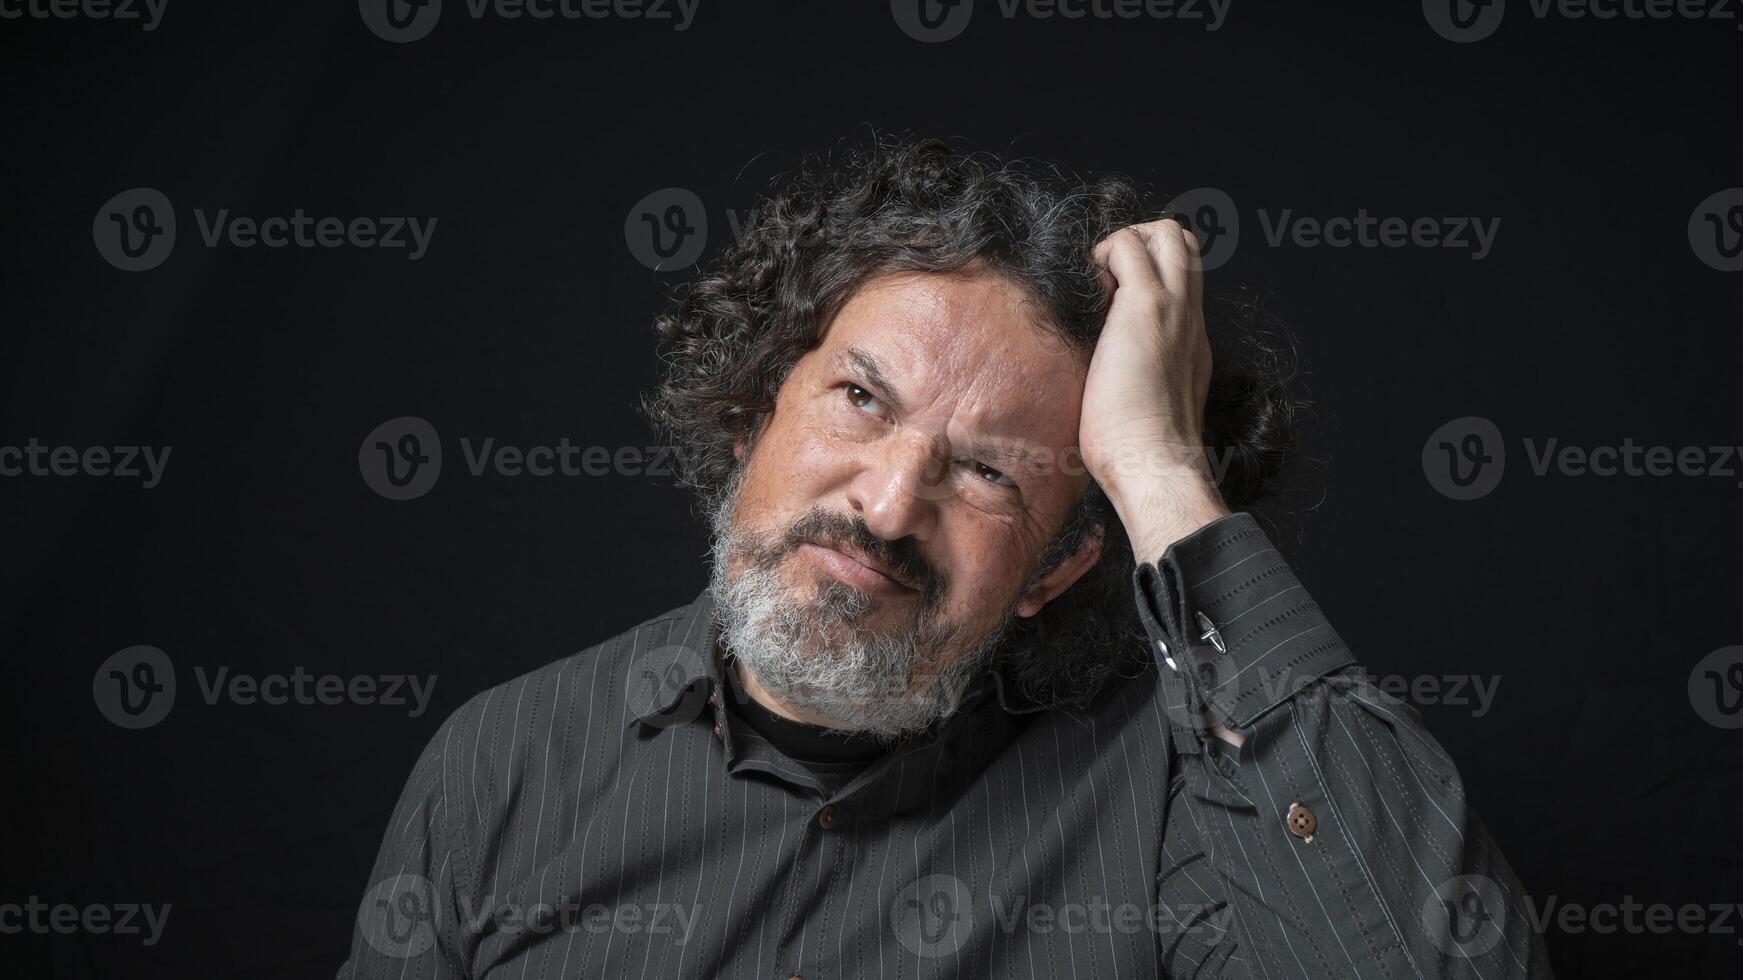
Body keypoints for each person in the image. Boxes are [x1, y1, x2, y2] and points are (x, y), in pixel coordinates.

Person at [339, 138, 1553, 978]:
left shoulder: (1175, 794)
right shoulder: (497, 767)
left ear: (1062, 567)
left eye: (986, 472)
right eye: (860, 397)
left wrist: (1161, 473)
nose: (886, 504)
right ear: (760, 404)